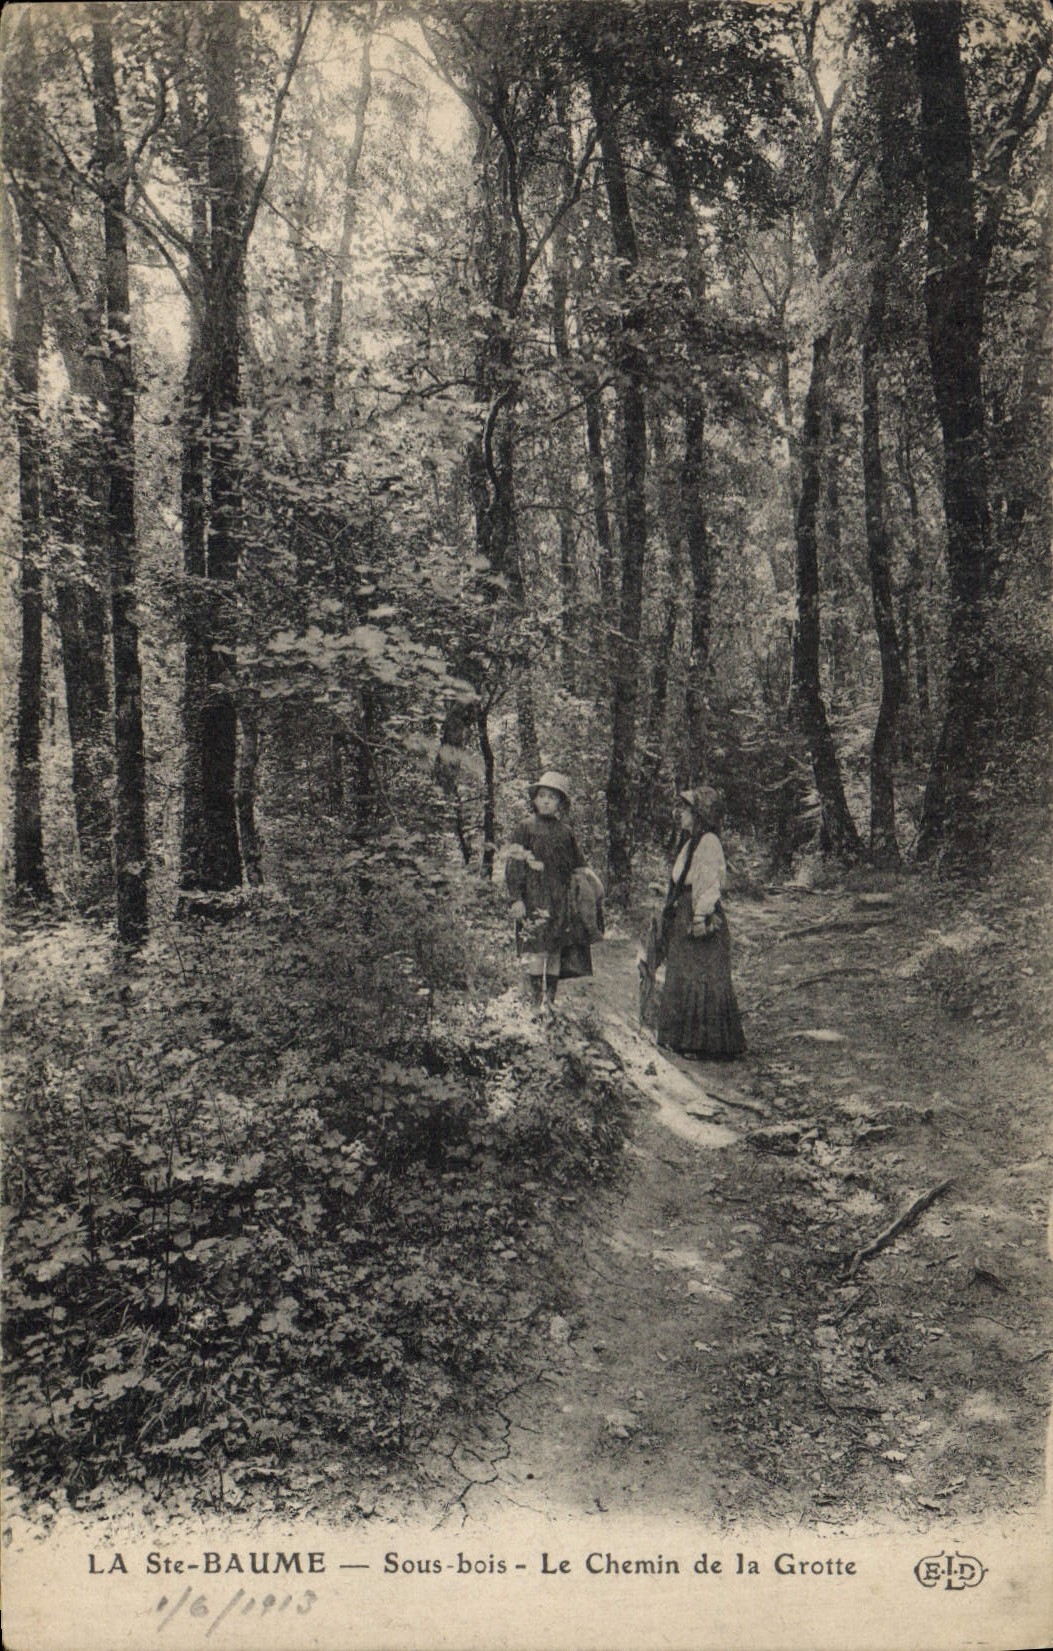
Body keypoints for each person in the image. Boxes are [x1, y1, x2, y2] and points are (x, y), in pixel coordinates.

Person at [656, 786, 745, 1059]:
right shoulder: (691, 841)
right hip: (686, 909)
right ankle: (683, 1039)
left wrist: (699, 916)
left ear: (699, 814)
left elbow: (709, 883)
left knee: (700, 976)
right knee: (684, 972)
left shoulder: (708, 842)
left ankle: (703, 1044)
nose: (680, 814)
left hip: (699, 914)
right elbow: (683, 877)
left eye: (686, 809)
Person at [506, 771, 592, 1010]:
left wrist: (582, 895)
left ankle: (550, 1003)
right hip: (533, 898)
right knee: (536, 949)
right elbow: (513, 866)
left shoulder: (566, 832)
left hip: (559, 900)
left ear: (560, 803)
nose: (545, 801)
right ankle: (535, 1003)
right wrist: (516, 899)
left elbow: (578, 867)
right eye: (541, 796)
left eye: (552, 797)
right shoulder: (524, 828)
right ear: (534, 800)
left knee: (554, 950)